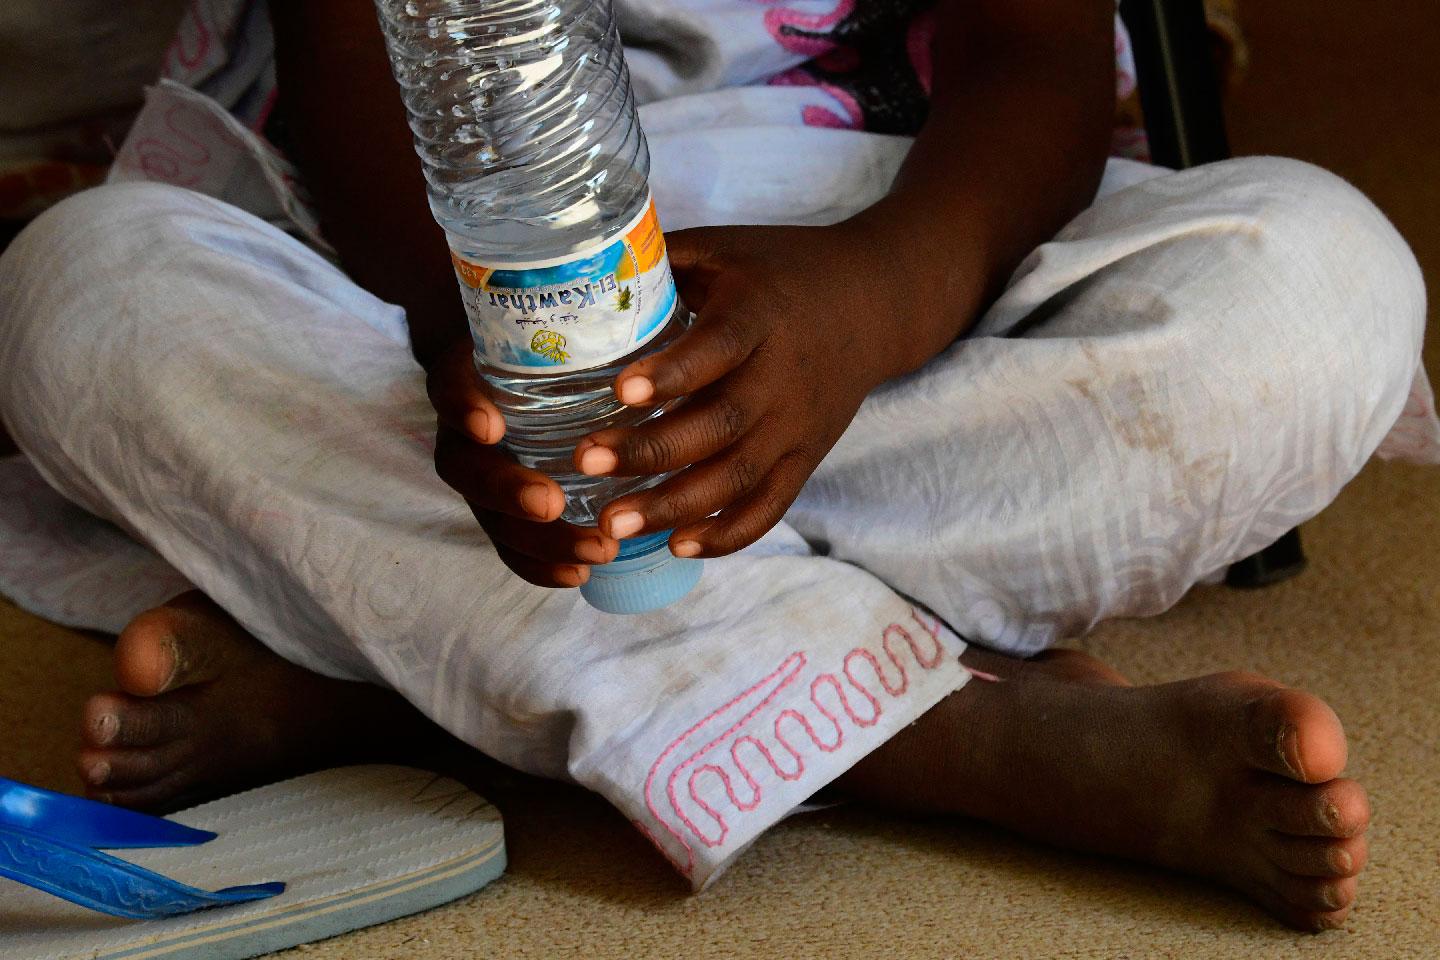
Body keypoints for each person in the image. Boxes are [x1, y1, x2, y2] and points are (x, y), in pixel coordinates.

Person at [0, 0, 1433, 931]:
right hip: (449, 303)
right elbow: (369, 98)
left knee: (1322, 287)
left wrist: (863, 310)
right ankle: (955, 735)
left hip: (886, 243)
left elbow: (1036, 65)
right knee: (79, 290)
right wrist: (484, 351)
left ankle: (426, 677)